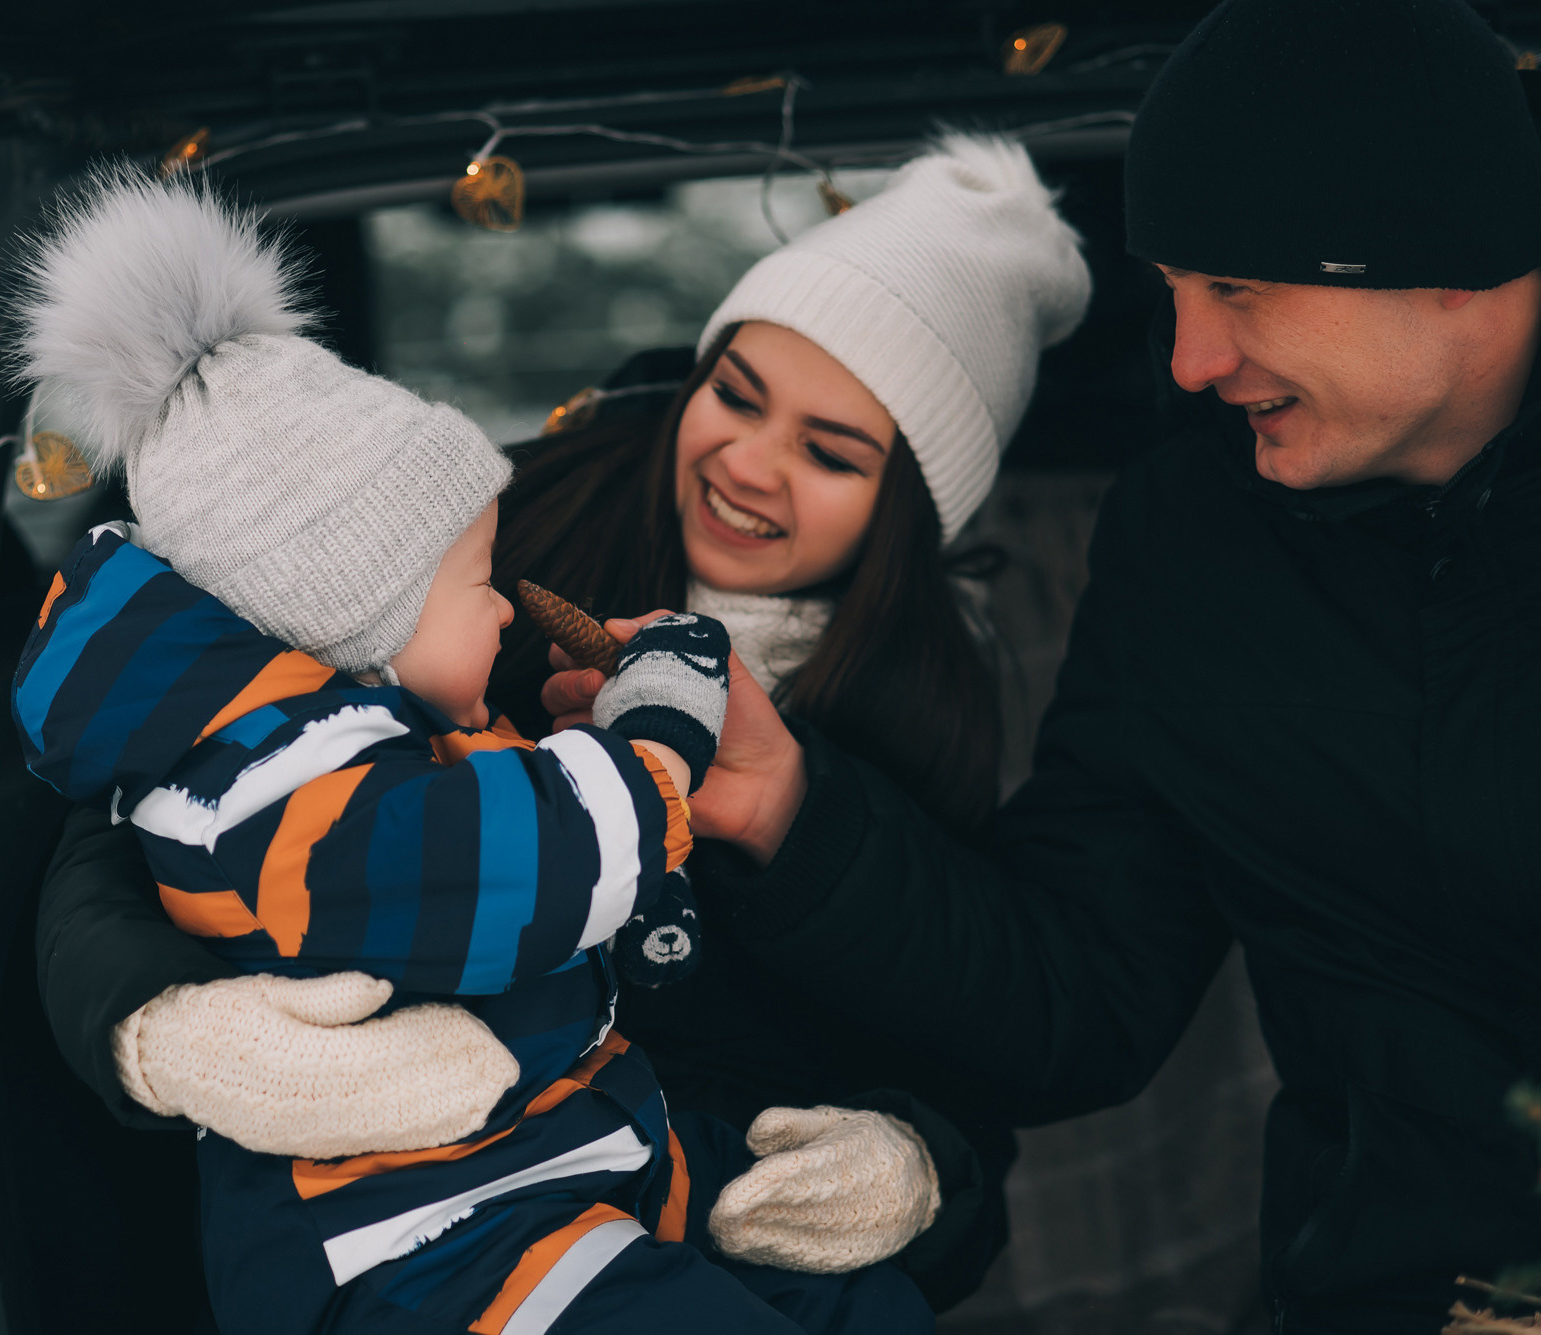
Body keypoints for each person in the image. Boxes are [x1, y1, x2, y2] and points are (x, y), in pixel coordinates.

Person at [541, 2, 1541, 1330]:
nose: (1192, 361)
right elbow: (1078, 989)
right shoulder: (1196, 538)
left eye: (1238, 288)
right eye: (1177, 290)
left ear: (1448, 257)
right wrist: (793, 809)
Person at [29, 133, 1092, 1314]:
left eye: (829, 454)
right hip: (430, 1213)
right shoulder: (483, 528)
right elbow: (178, 785)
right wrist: (156, 1021)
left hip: (671, 1181)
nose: (747, 462)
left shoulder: (930, 702)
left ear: (909, 509)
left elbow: (974, 1029)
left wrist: (920, 1169)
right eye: (733, 395)